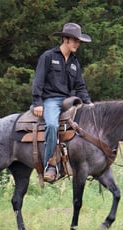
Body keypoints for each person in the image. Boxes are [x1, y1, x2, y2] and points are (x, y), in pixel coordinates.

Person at [32, 22, 94, 183]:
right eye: (75, 40)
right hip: (51, 100)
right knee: (52, 125)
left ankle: (84, 162)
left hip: (69, 101)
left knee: (85, 125)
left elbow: (80, 86)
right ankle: (50, 165)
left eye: (79, 41)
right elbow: (38, 80)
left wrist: (89, 103)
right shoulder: (48, 57)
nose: (77, 44)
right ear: (65, 39)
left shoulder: (75, 63)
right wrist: (38, 102)